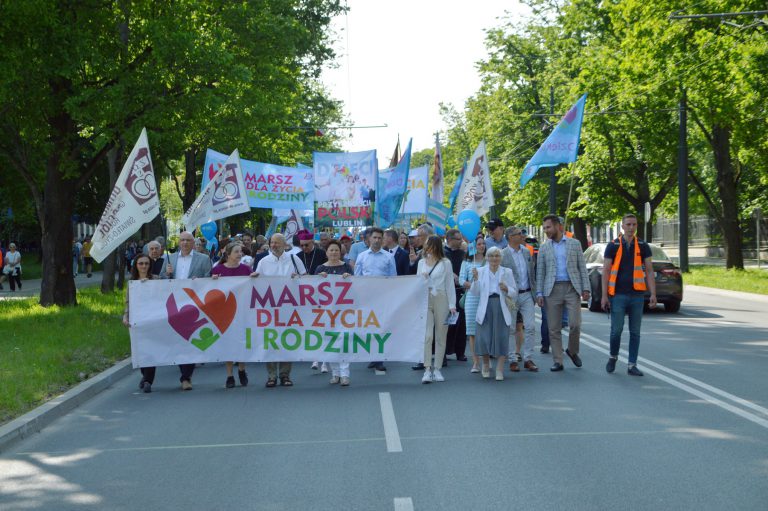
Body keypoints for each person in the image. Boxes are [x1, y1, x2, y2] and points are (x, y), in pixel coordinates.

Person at [601, 214, 656, 376]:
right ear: (622, 227)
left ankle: (632, 364)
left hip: (637, 295)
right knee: (616, 330)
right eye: (628, 224)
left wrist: (653, 293)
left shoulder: (643, 245)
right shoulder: (613, 245)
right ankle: (613, 356)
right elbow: (606, 271)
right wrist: (604, 296)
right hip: (618, 295)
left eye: (634, 224)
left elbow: (650, 270)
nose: (631, 227)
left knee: (635, 332)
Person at [535, 214, 590, 372]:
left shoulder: (574, 244)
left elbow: (582, 268)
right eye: (544, 228)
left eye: (548, 227)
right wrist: (539, 293)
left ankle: (572, 351)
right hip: (551, 290)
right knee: (553, 328)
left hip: (571, 288)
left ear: (558, 226)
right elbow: (540, 272)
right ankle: (558, 360)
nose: (546, 230)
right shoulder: (544, 247)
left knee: (575, 324)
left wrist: (586, 288)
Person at [160, 231, 213, 390]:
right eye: (182, 240)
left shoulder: (203, 259)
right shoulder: (170, 259)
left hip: (193, 305)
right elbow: (161, 279)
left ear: (193, 242)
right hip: (174, 304)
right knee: (177, 339)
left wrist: (201, 282)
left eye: (188, 240)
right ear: (178, 242)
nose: (185, 243)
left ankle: (186, 377)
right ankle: (183, 371)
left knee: (189, 339)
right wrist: (166, 274)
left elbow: (209, 278)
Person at [254, 233, 307, 387]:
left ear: (285, 245)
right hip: (269, 309)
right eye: (272, 243)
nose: (273, 245)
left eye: (277, 243)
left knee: (286, 340)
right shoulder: (263, 262)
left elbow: (306, 279)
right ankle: (271, 376)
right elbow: (256, 283)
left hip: (289, 308)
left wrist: (297, 278)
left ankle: (285, 375)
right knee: (270, 340)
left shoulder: (294, 259)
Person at [470, 246, 517, 381]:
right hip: (486, 306)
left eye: (497, 256)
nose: (494, 259)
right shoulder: (480, 271)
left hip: (501, 307)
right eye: (491, 256)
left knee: (502, 337)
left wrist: (507, 288)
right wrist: (476, 279)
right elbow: (475, 292)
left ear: (500, 258)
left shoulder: (507, 272)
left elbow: (514, 292)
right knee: (485, 337)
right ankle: (485, 364)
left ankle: (500, 369)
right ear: (487, 258)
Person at [354, 227, 396, 372]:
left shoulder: (389, 257)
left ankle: (380, 358)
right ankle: (372, 356)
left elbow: (393, 279)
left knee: (381, 327)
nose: (377, 240)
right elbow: (357, 278)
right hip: (367, 297)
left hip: (382, 297)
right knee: (369, 327)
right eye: (375, 238)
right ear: (369, 239)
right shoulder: (362, 256)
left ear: (383, 239)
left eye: (380, 238)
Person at [211, 241, 252, 388]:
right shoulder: (218, 269)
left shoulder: (246, 269)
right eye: (236, 252)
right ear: (228, 254)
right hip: (225, 312)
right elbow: (209, 290)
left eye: (241, 251)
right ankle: (229, 375)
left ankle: (241, 369)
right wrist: (212, 281)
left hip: (242, 311)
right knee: (227, 341)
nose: (240, 254)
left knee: (241, 340)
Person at [417, 235, 457, 383]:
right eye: (426, 245)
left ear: (436, 246)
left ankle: (438, 369)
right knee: (427, 336)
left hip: (442, 298)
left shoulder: (445, 263)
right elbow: (417, 284)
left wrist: (452, 305)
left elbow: (449, 285)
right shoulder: (421, 262)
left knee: (441, 335)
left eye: (430, 245)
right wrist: (423, 279)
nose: (427, 247)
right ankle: (427, 369)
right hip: (425, 298)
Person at [314, 239, 354, 385]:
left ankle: (345, 374)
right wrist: (319, 279)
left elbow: (355, 287)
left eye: (336, 250)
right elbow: (314, 292)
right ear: (326, 252)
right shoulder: (320, 269)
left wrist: (349, 279)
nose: (334, 253)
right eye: (331, 250)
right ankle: (335, 373)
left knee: (343, 341)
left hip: (344, 312)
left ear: (340, 252)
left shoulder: (347, 267)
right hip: (326, 312)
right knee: (330, 341)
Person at [501, 227, 539, 373]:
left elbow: (531, 272)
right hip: (511, 295)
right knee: (510, 328)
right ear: (510, 237)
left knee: (530, 327)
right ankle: (512, 359)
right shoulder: (503, 254)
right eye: (519, 234)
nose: (522, 236)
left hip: (527, 294)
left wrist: (535, 293)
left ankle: (528, 358)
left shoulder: (526, 252)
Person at [123, 253, 158, 393]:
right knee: (141, 350)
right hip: (138, 321)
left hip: (153, 320)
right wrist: (126, 316)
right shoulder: (131, 283)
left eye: (146, 263)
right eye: (141, 263)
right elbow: (128, 302)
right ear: (136, 265)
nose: (144, 266)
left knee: (151, 350)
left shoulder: (157, 279)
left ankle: (149, 380)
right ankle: (144, 375)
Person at [459, 235, 486, 373]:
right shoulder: (467, 262)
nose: (481, 246)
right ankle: (476, 362)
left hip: (486, 298)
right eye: (479, 244)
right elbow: (461, 280)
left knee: (485, 330)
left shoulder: (488, 262)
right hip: (471, 298)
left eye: (483, 244)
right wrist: (474, 284)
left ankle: (486, 360)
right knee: (472, 332)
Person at [443, 229, 467, 363]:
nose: (461, 241)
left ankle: (460, 352)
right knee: (446, 323)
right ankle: (444, 351)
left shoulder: (463, 254)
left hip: (460, 291)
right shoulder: (442, 253)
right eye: (458, 239)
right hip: (446, 293)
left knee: (461, 324)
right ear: (450, 240)